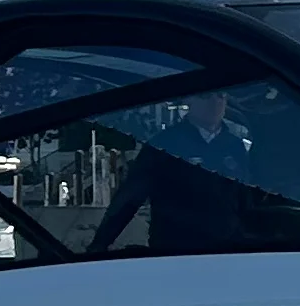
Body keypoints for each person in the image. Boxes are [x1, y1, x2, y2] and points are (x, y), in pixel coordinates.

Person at [92, 88, 262, 255]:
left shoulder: (235, 146)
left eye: (221, 96)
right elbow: (129, 198)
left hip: (228, 250)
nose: (215, 102)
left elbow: (244, 198)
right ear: (188, 100)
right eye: (205, 95)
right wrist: (100, 244)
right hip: (177, 251)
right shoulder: (164, 145)